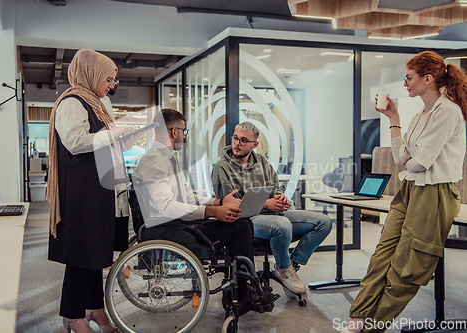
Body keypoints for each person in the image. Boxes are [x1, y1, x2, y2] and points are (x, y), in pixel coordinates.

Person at [343, 51, 467, 333]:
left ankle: (372, 326)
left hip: (435, 193)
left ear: (428, 78)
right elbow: (402, 158)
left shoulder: (448, 112)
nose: (405, 83)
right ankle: (357, 318)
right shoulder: (420, 115)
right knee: (382, 255)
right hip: (410, 188)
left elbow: (421, 163)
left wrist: (414, 161)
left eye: (409, 78)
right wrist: (394, 117)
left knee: (408, 266)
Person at [133, 108, 277, 311]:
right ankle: (243, 292)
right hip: (170, 230)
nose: (184, 136)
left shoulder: (167, 158)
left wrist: (218, 203)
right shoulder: (155, 161)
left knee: (239, 223)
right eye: (184, 131)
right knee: (241, 226)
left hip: (178, 225)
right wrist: (211, 212)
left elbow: (187, 196)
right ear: (174, 132)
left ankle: (243, 289)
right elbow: (165, 207)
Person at [46, 49, 143, 333]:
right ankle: (72, 316)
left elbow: (103, 144)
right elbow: (76, 142)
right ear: (92, 74)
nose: (111, 85)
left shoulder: (101, 102)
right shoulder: (72, 102)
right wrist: (113, 134)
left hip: (103, 190)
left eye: (114, 79)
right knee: (81, 255)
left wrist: (123, 140)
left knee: (96, 254)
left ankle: (95, 309)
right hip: (83, 192)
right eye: (108, 79)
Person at [212, 122, 332, 294]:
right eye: (235, 138)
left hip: (271, 213)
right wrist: (265, 204)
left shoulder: (261, 162)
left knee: (323, 222)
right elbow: (229, 203)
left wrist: (278, 196)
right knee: (281, 225)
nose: (237, 143)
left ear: (255, 144)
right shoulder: (222, 166)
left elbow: (274, 186)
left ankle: (291, 265)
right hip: (244, 220)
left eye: (243, 140)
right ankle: (284, 268)